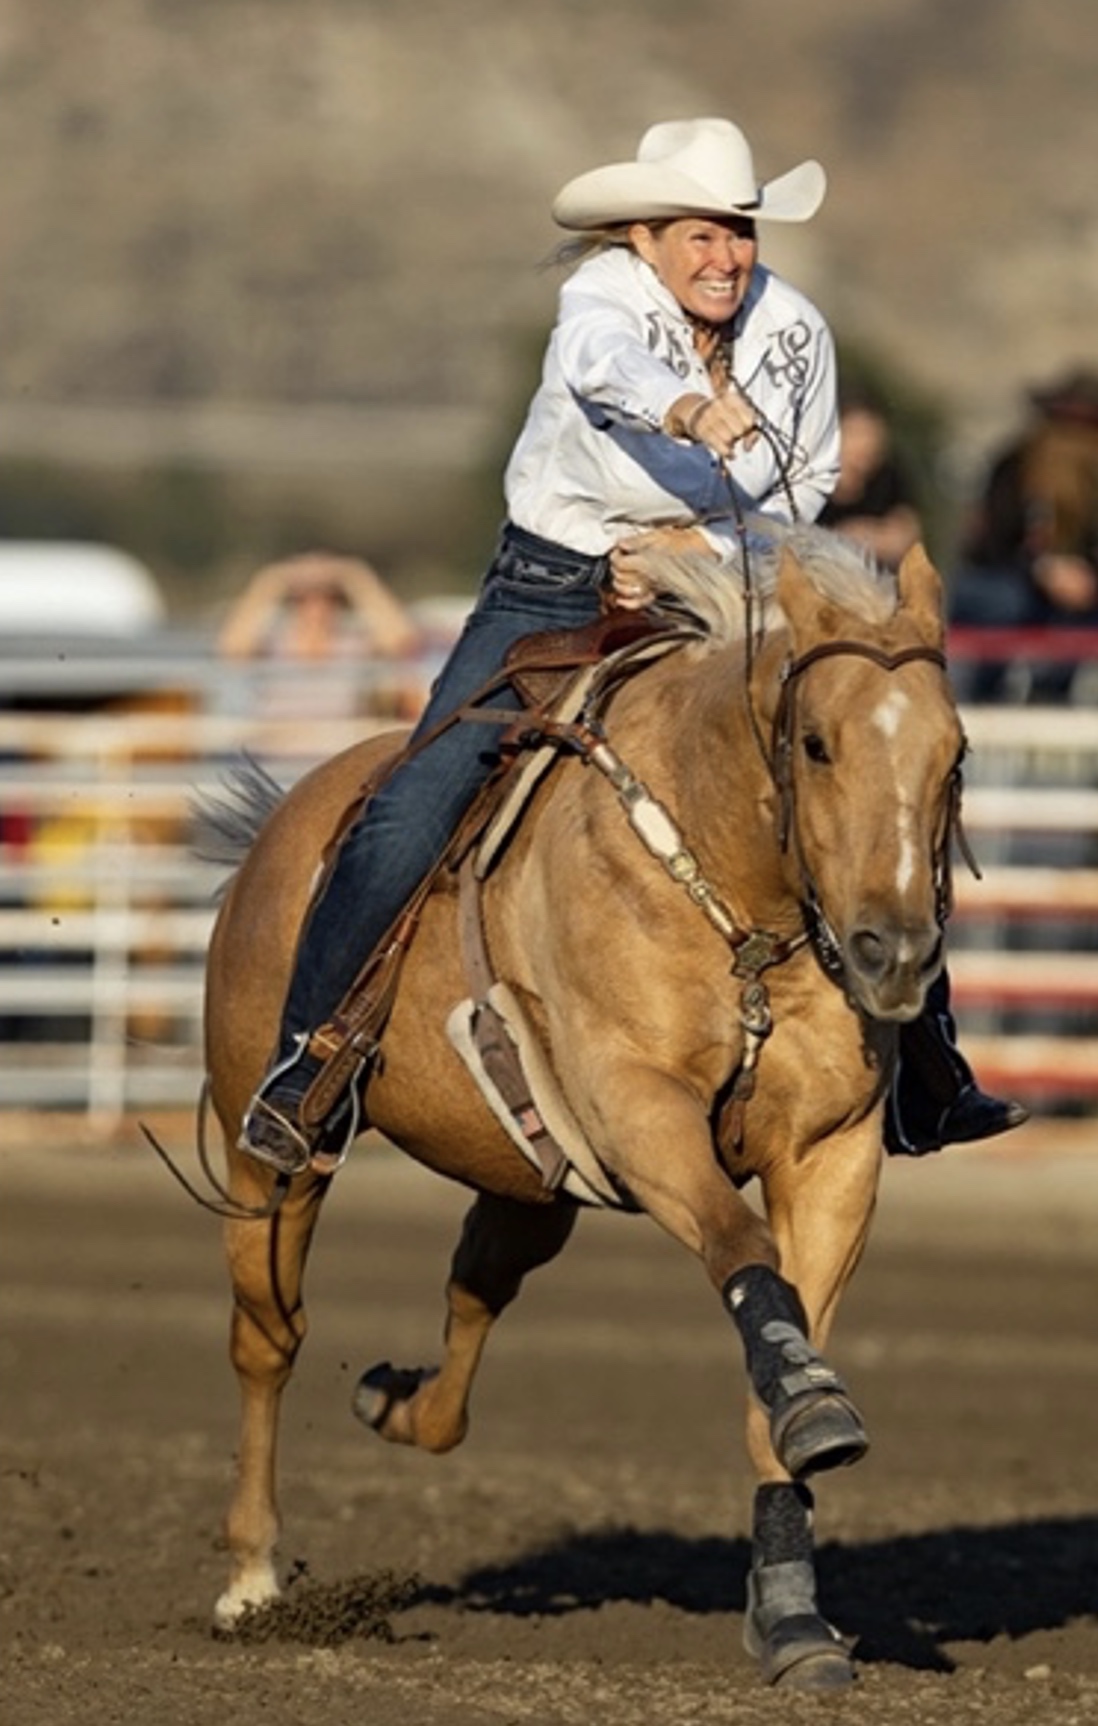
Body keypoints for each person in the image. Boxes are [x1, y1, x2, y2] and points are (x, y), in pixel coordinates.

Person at [237, 116, 1024, 1176]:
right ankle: (310, 1059)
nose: (725, 255)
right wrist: (688, 407)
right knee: (416, 803)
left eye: (738, 231)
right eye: (700, 233)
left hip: (730, 574)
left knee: (866, 765)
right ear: (641, 239)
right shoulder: (600, 302)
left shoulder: (793, 330)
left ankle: (927, 1065)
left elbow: (804, 484)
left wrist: (688, 550)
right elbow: (601, 366)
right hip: (553, 582)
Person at [949, 364, 1098, 630]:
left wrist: (1082, 577)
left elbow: (1092, 552)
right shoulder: (1013, 469)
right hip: (999, 584)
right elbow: (994, 545)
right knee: (1009, 600)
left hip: (1049, 596)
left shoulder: (1091, 491)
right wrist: (1044, 571)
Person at [216, 551, 419, 720]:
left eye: (328, 596)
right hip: (278, 741)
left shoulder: (353, 642)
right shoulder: (273, 641)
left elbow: (402, 642)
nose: (315, 605)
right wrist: (273, 579)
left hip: (341, 743)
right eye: (302, 597)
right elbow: (231, 648)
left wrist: (354, 576)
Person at [817, 384, 922, 569]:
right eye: (856, 434)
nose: (865, 445)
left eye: (871, 435)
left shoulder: (887, 478)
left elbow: (906, 536)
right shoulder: (808, 479)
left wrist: (859, 537)